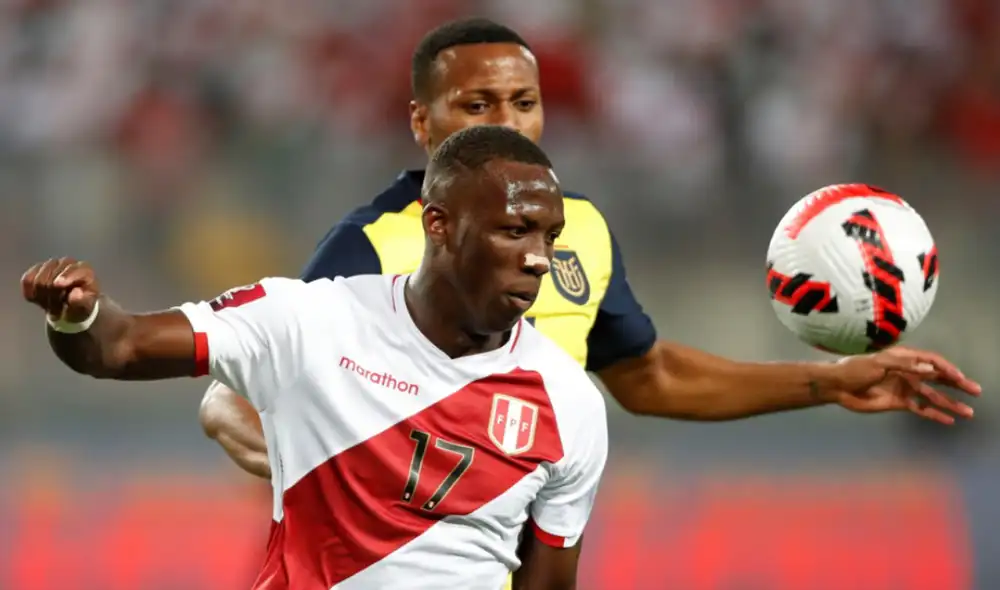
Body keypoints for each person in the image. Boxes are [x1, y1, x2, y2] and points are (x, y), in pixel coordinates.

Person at [200, 17, 983, 486]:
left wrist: (829, 382)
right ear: (422, 122)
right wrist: (370, 482)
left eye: (524, 102)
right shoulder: (372, 244)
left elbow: (646, 375)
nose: (505, 122)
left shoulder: (582, 232)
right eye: (476, 104)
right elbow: (230, 401)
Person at [22, 126, 610, 590]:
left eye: (549, 236)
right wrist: (77, 315)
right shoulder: (314, 321)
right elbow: (120, 346)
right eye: (515, 231)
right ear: (439, 224)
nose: (539, 258)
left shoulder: (568, 403)